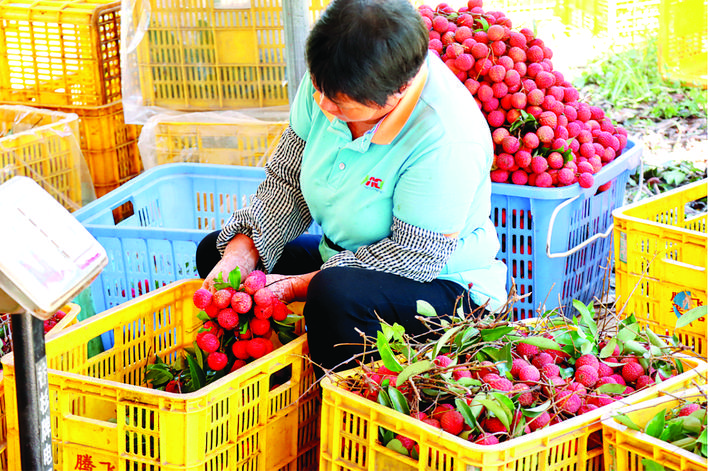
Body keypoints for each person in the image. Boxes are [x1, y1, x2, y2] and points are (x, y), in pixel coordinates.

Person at [196, 0, 507, 376]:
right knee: (217, 255)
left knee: (334, 294)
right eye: (320, 89)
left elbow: (413, 257)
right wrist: (243, 251)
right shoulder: (333, 78)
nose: (323, 106)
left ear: (397, 91)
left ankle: (336, 408)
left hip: (440, 284)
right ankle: (271, 388)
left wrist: (294, 286)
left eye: (341, 104)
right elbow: (287, 181)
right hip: (343, 257)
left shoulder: (446, 136)